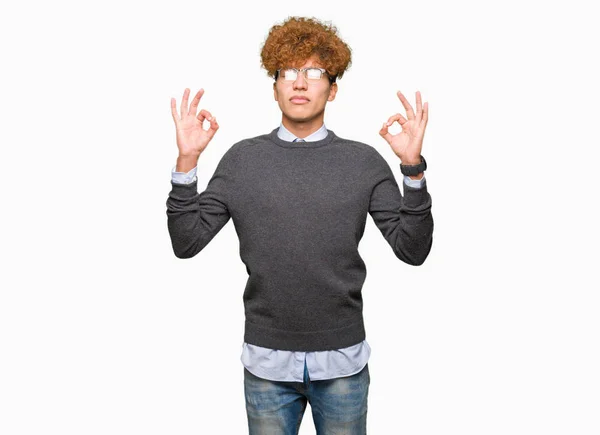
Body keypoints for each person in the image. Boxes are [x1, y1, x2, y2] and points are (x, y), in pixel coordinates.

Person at [166, 16, 433, 435]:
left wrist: (412, 170)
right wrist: (187, 163)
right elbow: (186, 242)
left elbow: (412, 250)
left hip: (342, 361)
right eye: (287, 72)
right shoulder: (242, 160)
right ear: (274, 87)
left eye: (313, 72)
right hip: (266, 363)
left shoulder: (363, 161)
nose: (300, 83)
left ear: (333, 87)